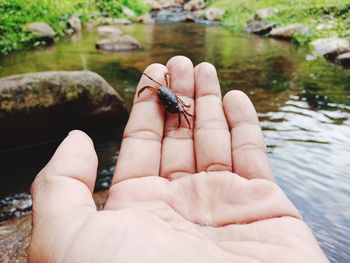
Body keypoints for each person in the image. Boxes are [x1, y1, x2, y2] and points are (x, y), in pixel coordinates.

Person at [29, 56, 329, 262]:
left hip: (176, 102)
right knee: (179, 110)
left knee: (183, 115)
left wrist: (172, 102)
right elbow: (159, 92)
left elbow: (178, 107)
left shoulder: (173, 101)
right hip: (173, 100)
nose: (160, 96)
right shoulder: (162, 93)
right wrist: (163, 95)